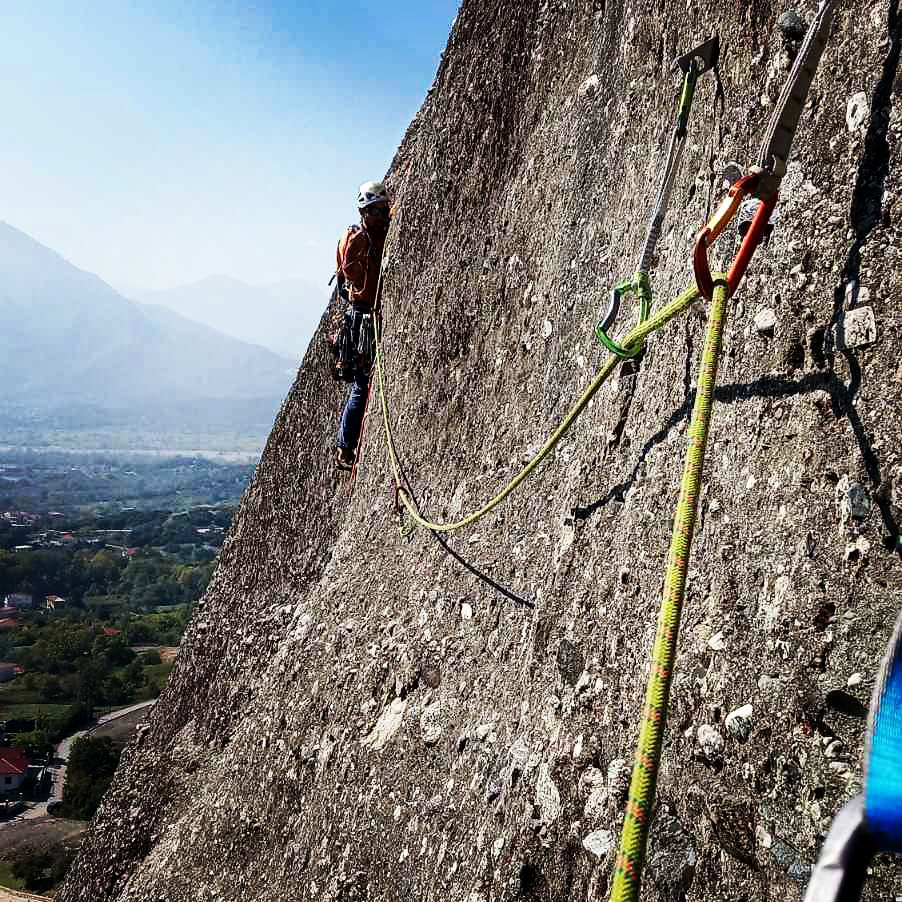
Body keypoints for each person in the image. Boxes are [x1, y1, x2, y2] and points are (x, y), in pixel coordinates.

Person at [333, 180, 391, 470]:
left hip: (360, 313)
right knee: (362, 386)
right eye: (378, 211)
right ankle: (345, 448)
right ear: (365, 212)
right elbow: (353, 280)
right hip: (363, 315)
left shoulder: (368, 236)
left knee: (361, 384)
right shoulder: (361, 241)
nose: (383, 216)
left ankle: (344, 445)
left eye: (384, 210)